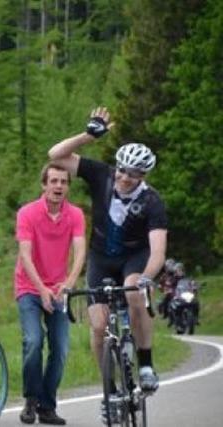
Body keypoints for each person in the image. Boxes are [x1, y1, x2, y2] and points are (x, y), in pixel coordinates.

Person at [48, 107, 167, 424]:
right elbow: (56, 154)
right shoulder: (102, 173)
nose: (125, 178)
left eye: (134, 174)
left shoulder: (152, 201)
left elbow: (157, 251)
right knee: (99, 325)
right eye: (123, 170)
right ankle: (110, 389)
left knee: (132, 295)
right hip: (101, 257)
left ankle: (145, 362)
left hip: (134, 257)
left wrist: (146, 278)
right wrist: (88, 135)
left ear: (144, 176)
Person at [15, 163, 86, 425]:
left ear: (68, 186)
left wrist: (68, 282)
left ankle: (47, 406)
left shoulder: (76, 214)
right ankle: (31, 399)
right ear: (44, 185)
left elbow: (80, 251)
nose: (58, 186)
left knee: (61, 348)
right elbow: (24, 253)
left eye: (63, 182)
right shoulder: (27, 213)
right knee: (33, 341)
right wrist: (41, 288)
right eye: (53, 181)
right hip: (29, 287)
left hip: (60, 289)